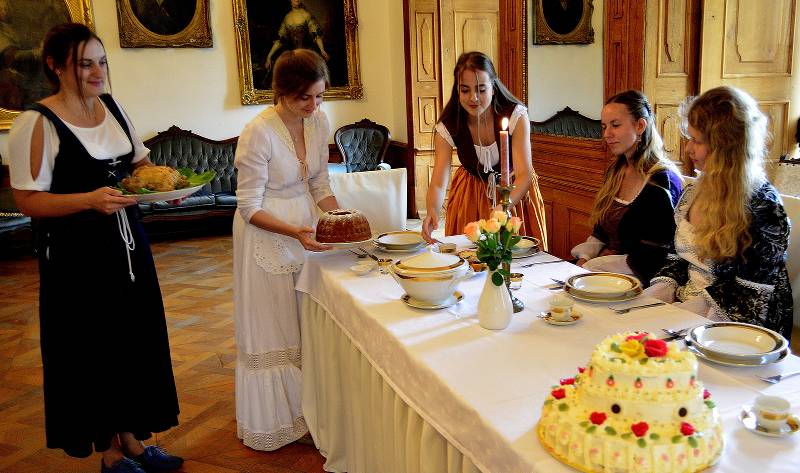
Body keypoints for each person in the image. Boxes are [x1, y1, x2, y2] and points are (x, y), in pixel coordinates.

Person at [7, 23, 182, 473]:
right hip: (74, 255)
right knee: (91, 348)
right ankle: (108, 451)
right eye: (85, 63)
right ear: (55, 65)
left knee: (133, 342)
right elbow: (27, 199)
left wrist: (169, 186)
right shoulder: (36, 122)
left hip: (128, 246)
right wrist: (88, 200)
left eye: (101, 62)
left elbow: (140, 166)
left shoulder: (113, 107)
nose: (97, 72)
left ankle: (134, 440)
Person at [233, 48, 339, 451]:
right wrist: (294, 231)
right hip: (267, 234)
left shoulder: (320, 121)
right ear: (281, 92)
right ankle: (277, 421)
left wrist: (343, 218)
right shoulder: (258, 131)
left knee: (306, 325)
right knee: (275, 326)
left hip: (306, 230)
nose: (313, 107)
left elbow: (320, 186)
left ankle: (309, 412)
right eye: (304, 98)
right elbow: (248, 207)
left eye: (319, 96)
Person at [646, 86, 793, 341]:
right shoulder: (693, 193)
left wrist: (672, 321)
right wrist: (653, 299)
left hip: (738, 332)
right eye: (689, 138)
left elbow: (749, 302)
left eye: (698, 141)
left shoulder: (765, 208)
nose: (689, 149)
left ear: (727, 147)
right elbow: (676, 259)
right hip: (685, 312)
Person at [421, 51, 547, 248]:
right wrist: (431, 212)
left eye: (481, 89)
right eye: (465, 90)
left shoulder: (515, 115)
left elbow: (524, 173)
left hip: (514, 193)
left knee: (518, 259)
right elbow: (438, 181)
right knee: (471, 257)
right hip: (471, 193)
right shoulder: (449, 125)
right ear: (457, 91)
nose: (473, 98)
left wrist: (504, 206)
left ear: (493, 88)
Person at [571, 90, 683, 284]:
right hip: (604, 270)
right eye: (604, 126)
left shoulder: (661, 181)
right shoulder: (616, 171)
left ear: (640, 125)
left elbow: (653, 257)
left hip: (640, 280)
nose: (607, 134)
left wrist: (593, 267)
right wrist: (584, 260)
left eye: (615, 125)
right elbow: (601, 232)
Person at [263, 0, 330, 83]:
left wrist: (322, 49)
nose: (297, 0)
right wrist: (269, 56)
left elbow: (316, 35)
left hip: (307, 52)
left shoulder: (306, 15)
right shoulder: (287, 17)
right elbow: (280, 40)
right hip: (293, 54)